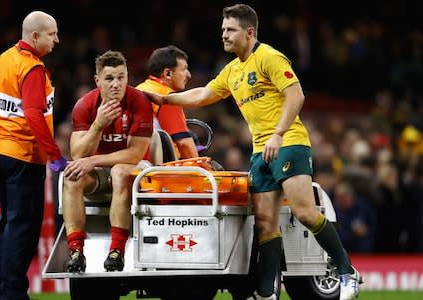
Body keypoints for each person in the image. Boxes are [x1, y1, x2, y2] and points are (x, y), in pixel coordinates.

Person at [144, 4, 362, 300]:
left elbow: (296, 94)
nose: (224, 34)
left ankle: (347, 272)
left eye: (230, 29)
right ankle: (265, 293)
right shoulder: (233, 70)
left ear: (249, 32)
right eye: (223, 29)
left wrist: (278, 134)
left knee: (304, 212)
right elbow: (204, 94)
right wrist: (163, 99)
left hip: (288, 144)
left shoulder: (269, 57)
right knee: (265, 223)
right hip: (262, 152)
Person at [0, 11, 66, 300]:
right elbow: (33, 113)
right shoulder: (33, 68)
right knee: (22, 227)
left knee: (7, 223)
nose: (56, 39)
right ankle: (13, 293)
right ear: (35, 36)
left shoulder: (3, 60)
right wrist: (54, 153)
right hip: (22, 154)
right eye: (51, 34)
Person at [62, 50, 153, 273]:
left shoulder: (140, 102)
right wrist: (98, 125)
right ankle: (75, 251)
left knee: (121, 171)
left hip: (138, 171)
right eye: (110, 78)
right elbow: (77, 154)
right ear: (97, 81)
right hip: (101, 172)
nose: (116, 84)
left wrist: (93, 160)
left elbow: (135, 154)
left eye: (121, 77)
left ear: (127, 77)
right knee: (72, 176)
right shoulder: (84, 106)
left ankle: (116, 251)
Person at [136, 45, 199, 159]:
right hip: (158, 169)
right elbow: (184, 143)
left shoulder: (140, 88)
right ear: (167, 73)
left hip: (135, 162)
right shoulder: (166, 97)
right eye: (184, 69)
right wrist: (203, 170)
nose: (189, 75)